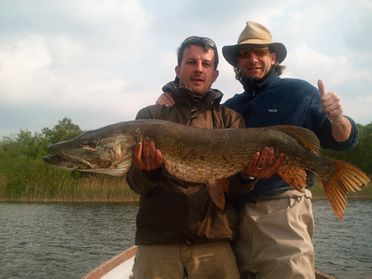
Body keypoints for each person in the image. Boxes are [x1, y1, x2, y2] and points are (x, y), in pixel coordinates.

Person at [157, 21, 359, 279]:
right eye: (245, 54)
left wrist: (337, 118)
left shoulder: (299, 92)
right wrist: (169, 95)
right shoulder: (232, 107)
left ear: (272, 57)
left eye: (260, 52)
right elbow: (198, 125)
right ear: (238, 63)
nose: (252, 59)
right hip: (236, 217)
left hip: (282, 208)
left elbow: (343, 140)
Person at [126, 36, 283, 279]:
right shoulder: (150, 116)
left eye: (206, 64)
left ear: (215, 74)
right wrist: (148, 171)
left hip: (212, 239)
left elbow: (234, 190)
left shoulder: (230, 120)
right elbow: (136, 184)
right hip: (158, 240)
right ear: (178, 70)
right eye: (191, 62)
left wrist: (250, 173)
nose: (199, 69)